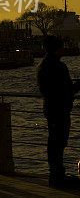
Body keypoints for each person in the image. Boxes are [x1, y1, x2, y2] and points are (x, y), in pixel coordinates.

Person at [37, 35, 80, 188]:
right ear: (58, 48)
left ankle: (55, 175)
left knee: (54, 142)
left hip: (50, 108)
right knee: (60, 142)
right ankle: (58, 177)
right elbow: (68, 90)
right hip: (60, 109)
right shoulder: (59, 67)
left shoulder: (42, 65)